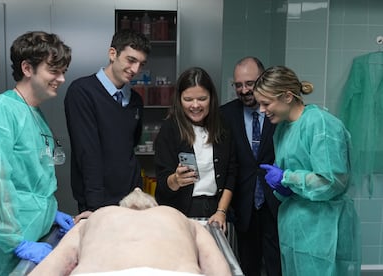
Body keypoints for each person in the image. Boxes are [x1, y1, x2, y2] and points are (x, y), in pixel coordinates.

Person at [0, 31, 75, 276]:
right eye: (53, 70)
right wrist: (16, 242)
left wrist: (50, 212)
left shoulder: (35, 114)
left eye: (63, 72)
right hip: (6, 246)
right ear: (27, 68)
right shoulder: (0, 111)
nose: (61, 79)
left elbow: (32, 181)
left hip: (34, 231)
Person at [254, 65, 361, 276]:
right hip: (295, 229)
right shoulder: (283, 129)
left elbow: (333, 181)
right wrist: (283, 188)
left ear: (287, 96)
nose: (262, 110)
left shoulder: (321, 124)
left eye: (266, 103)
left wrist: (287, 178)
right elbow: (298, 181)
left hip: (323, 231)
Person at [29, 188, 231, 276]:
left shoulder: (98, 217)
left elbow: (55, 265)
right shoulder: (179, 218)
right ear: (152, 206)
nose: (136, 188)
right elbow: (217, 267)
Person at [64, 29, 151, 213]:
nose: (135, 70)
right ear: (113, 54)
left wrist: (138, 194)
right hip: (98, 201)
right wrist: (93, 208)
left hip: (132, 200)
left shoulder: (135, 100)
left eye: (141, 64)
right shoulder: (82, 92)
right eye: (131, 60)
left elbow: (130, 146)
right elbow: (87, 154)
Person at [154, 67, 237, 231]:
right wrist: (176, 180)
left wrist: (221, 211)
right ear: (179, 99)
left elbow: (231, 173)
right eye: (188, 99)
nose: (195, 105)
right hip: (179, 212)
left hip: (216, 210)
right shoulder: (170, 129)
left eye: (202, 98)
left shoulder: (223, 127)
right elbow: (163, 184)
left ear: (211, 98)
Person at [220, 57, 281, 276]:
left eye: (250, 83)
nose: (244, 90)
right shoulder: (225, 115)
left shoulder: (279, 113)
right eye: (238, 85)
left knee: (277, 266)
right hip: (243, 205)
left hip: (276, 202)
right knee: (247, 267)